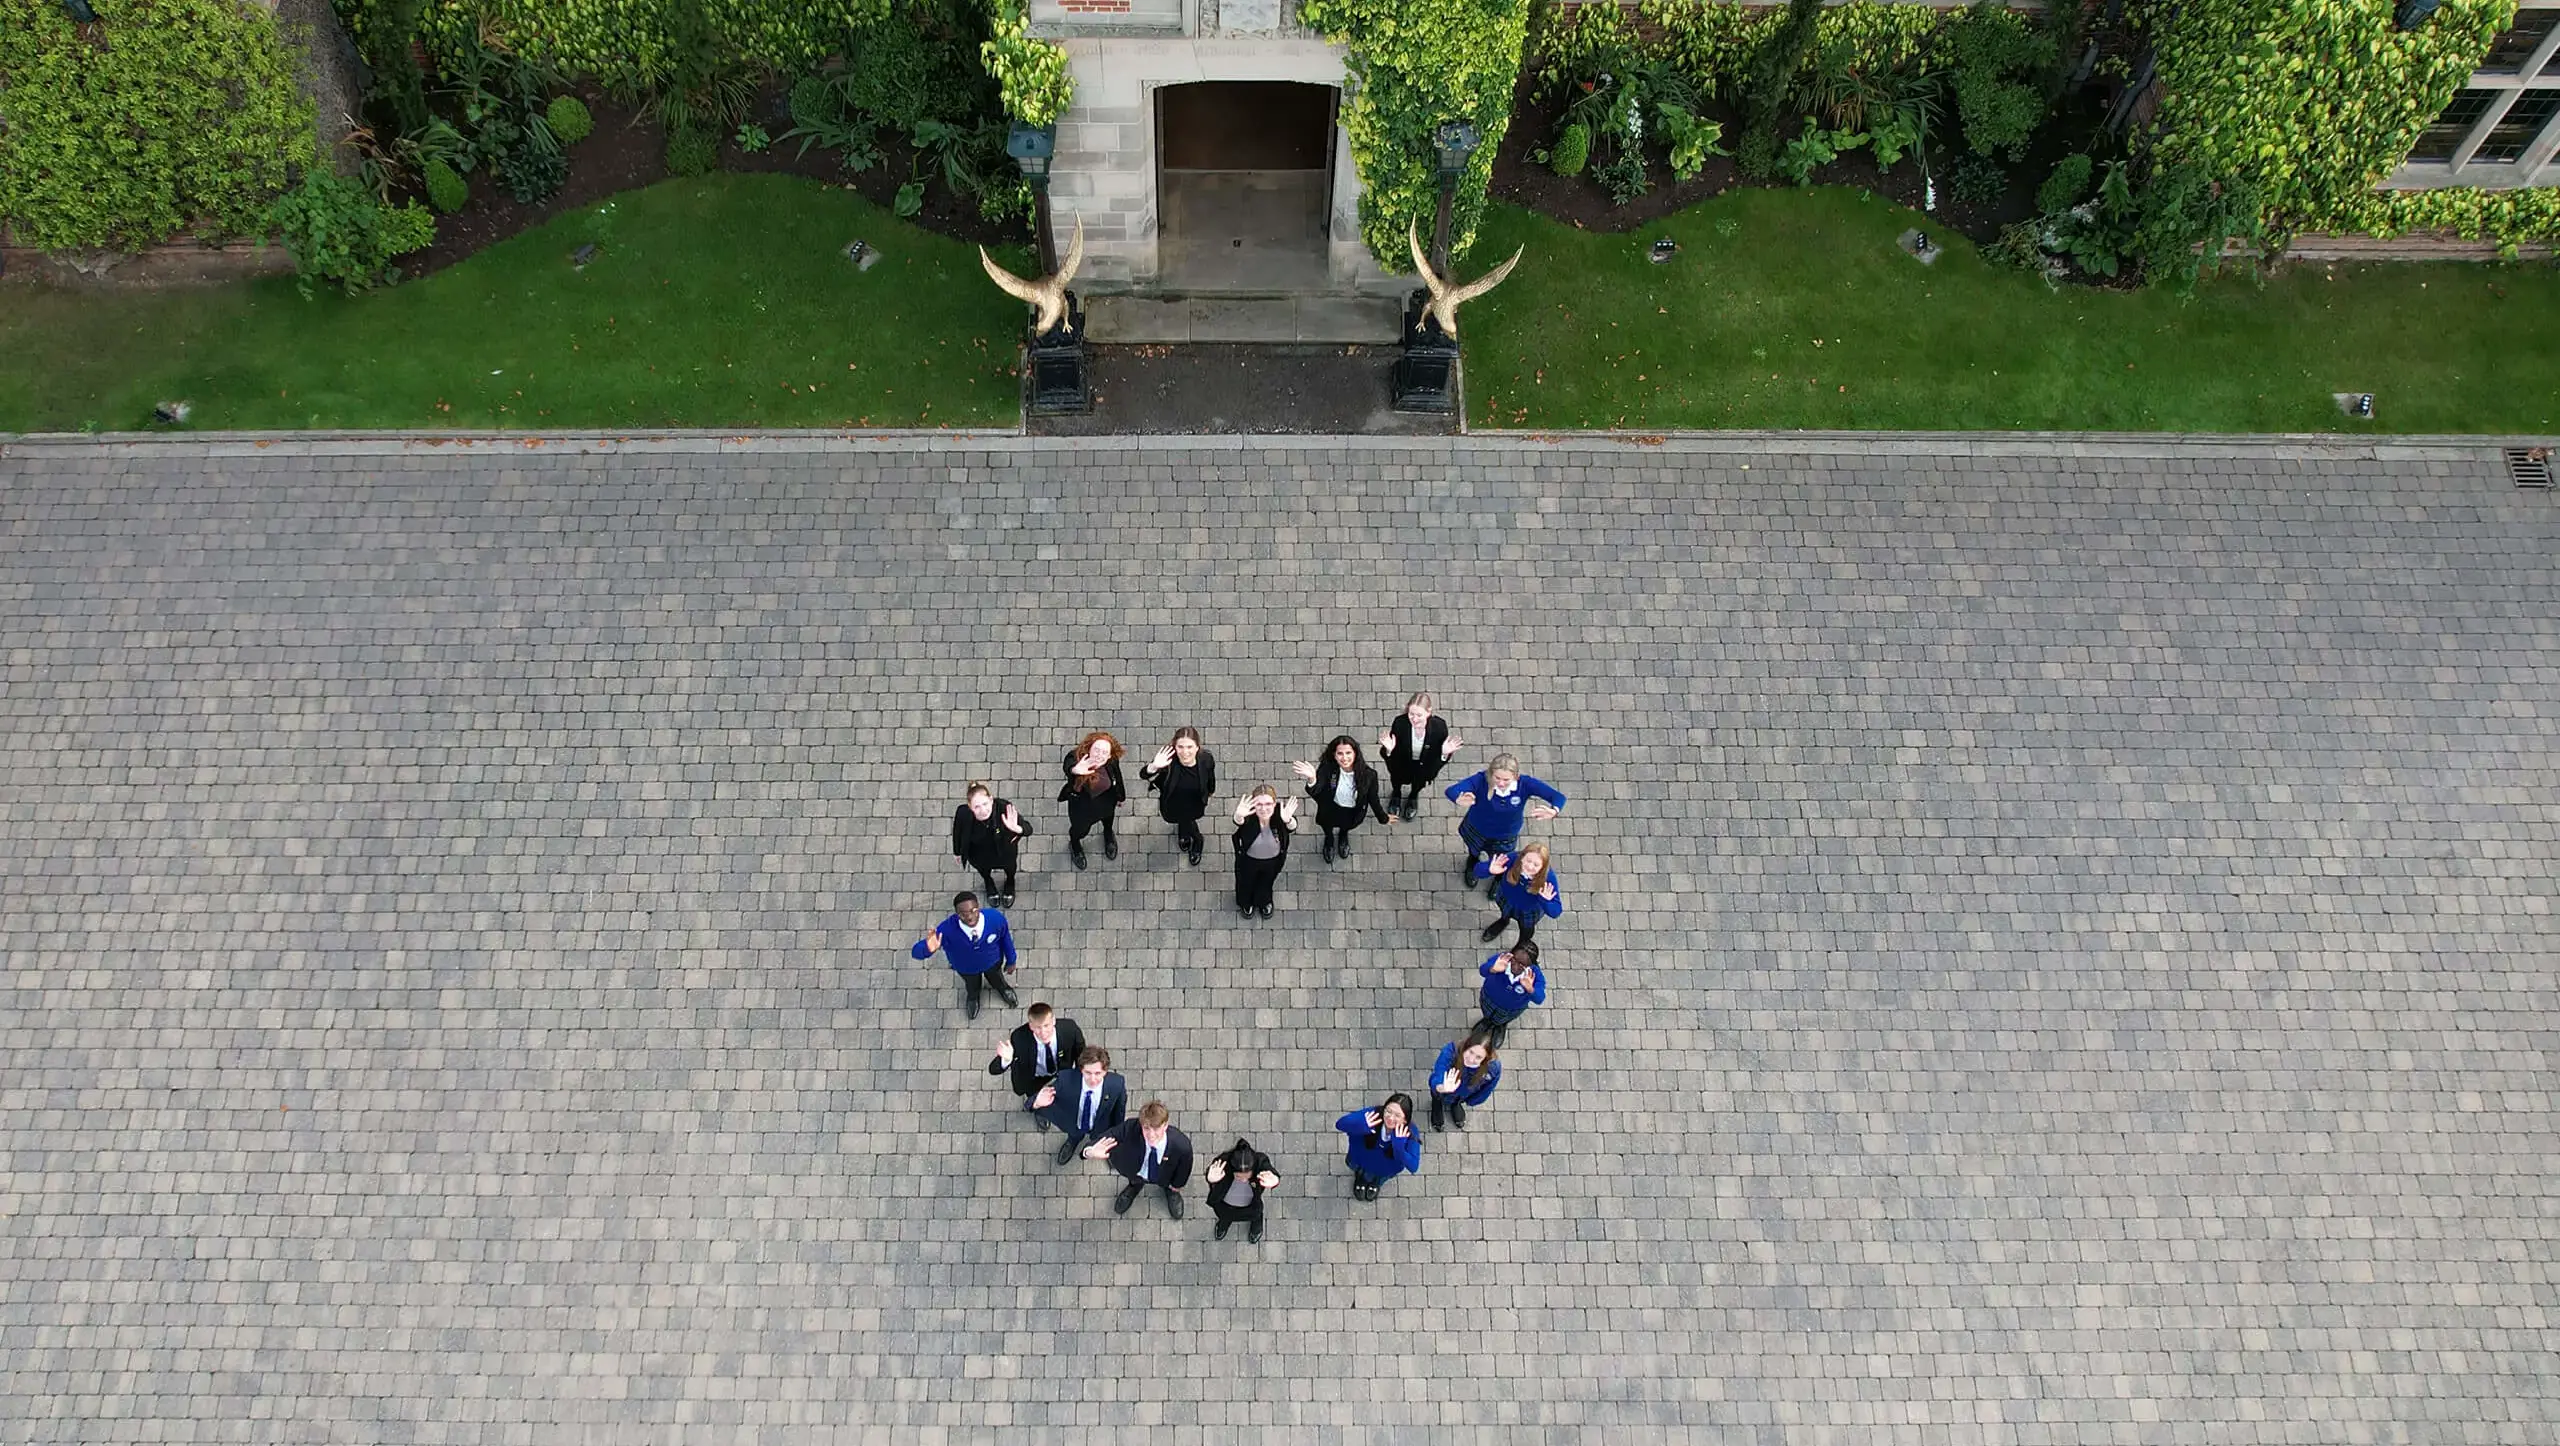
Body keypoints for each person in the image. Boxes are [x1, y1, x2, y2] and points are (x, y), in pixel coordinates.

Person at [1445, 752, 1566, 893]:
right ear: (1491, 773)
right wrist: (1458, 798)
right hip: (1477, 828)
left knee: (1502, 860)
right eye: (1497, 778)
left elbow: (1557, 796)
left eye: (1506, 779)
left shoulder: (1525, 784)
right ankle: (1473, 862)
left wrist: (1554, 810)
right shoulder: (1481, 780)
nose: (1501, 783)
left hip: (1505, 835)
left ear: (1516, 776)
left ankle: (1498, 879)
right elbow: (1452, 790)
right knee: (1474, 849)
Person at [908, 890, 1017, 1020]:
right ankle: (973, 998)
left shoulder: (995, 919)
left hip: (992, 962)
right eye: (963, 914)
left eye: (973, 910)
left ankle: (1003, 989)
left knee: (997, 979)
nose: (969, 917)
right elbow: (916, 952)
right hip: (966, 968)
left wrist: (1011, 960)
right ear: (957, 914)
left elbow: (1006, 939)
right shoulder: (947, 930)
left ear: (979, 908)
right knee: (972, 986)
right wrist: (928, 948)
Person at [1083, 1099, 1192, 1218]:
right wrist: (1089, 1151)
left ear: (1165, 1125)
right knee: (1135, 1180)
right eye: (1146, 1128)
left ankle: (1171, 1192)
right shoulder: (1131, 1128)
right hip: (1136, 1171)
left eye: (1156, 1128)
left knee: (1169, 1185)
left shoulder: (1181, 1145)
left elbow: (1184, 1168)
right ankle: (1134, 1187)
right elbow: (1110, 1136)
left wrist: (1177, 1185)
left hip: (1165, 1176)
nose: (1151, 1135)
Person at [1291, 735, 1391, 864]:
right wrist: (1312, 779)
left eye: (1348, 753)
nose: (1344, 758)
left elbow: (1373, 798)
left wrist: (1383, 817)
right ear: (1334, 755)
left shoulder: (1369, 775)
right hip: (1331, 809)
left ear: (1355, 753)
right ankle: (1329, 840)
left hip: (1353, 812)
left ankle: (1343, 835)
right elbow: (1317, 791)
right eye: (1340, 753)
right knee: (1327, 827)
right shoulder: (1327, 769)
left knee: (1346, 826)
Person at [985, 1002, 1084, 1130]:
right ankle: (1040, 1111)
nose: (1043, 1032)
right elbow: (993, 1069)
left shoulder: (1070, 1029)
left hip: (1062, 1071)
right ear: (1030, 1026)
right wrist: (1007, 1059)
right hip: (1034, 1077)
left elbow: (1081, 1053)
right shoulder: (1020, 1038)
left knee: (1062, 1092)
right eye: (1037, 1027)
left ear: (1053, 1021)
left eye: (1046, 1025)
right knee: (1035, 1095)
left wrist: (1079, 1075)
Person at [1035, 1045, 1127, 1166]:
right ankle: (1073, 1142)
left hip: (1101, 1126)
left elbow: (1119, 1110)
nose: (1093, 1079)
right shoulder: (1066, 1080)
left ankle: (1106, 1151)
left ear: (1105, 1071)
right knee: (1074, 1134)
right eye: (1088, 1073)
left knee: (1100, 1140)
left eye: (1098, 1073)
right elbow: (1045, 1095)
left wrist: (1116, 1134)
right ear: (1081, 1070)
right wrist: (1035, 1103)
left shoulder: (1117, 1084)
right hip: (1075, 1122)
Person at [1139, 727, 1217, 867]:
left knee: (1190, 821)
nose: (1185, 752)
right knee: (1182, 821)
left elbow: (1210, 777)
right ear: (1175, 746)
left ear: (1197, 747)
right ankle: (1184, 833)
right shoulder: (1167, 761)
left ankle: (1197, 840)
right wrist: (1154, 766)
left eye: (1189, 747)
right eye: (1180, 747)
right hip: (1172, 804)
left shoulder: (1206, 759)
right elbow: (1144, 775)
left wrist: (1211, 790)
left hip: (1195, 803)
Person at [1378, 692, 1460, 821]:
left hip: (1424, 768)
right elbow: (1388, 755)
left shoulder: (1439, 727)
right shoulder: (1400, 723)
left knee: (1418, 784)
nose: (1414, 719)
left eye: (1419, 715)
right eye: (1411, 714)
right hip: (1402, 765)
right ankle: (1396, 795)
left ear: (1429, 712)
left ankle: (1413, 797)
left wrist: (1444, 754)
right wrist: (1388, 750)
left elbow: (1438, 762)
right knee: (1397, 781)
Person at [951, 783, 1032, 908]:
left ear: (991, 800)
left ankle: (1010, 884)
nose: (983, 810)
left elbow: (1029, 829)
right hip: (979, 856)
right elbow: (957, 832)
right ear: (970, 807)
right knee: (984, 872)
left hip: (1005, 853)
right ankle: (989, 885)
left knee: (1010, 869)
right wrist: (957, 852)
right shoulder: (963, 813)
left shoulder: (1004, 808)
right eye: (976, 807)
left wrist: (1017, 828)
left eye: (985, 804)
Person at [1057, 731, 1127, 871]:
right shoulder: (1077, 757)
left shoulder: (1111, 761)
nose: (1099, 755)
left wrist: (1120, 797)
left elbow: (1118, 778)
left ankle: (1108, 835)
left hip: (1106, 802)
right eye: (1096, 749)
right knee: (1079, 830)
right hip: (1082, 807)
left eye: (1104, 752)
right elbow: (1069, 765)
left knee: (1108, 820)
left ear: (1109, 755)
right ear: (1089, 748)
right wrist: (1075, 770)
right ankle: (1075, 845)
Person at [1230, 784, 1301, 920]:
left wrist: (1289, 820)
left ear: (1274, 804)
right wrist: (1238, 816)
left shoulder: (1281, 813)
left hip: (1273, 861)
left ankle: (1264, 901)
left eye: (1268, 803)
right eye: (1259, 804)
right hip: (1248, 860)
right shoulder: (1248, 814)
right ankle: (1246, 902)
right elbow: (1239, 822)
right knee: (1245, 882)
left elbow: (1292, 827)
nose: (1263, 808)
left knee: (1267, 882)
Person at [1335, 1094, 1422, 1201]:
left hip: (1385, 1169)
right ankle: (1360, 1180)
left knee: (1378, 1178)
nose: (1390, 1118)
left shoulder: (1410, 1133)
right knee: (1361, 1174)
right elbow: (1340, 1124)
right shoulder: (1373, 1115)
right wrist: (1360, 1124)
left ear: (1405, 1120)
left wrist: (1398, 1147)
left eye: (1397, 1115)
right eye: (1388, 1111)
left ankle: (1375, 1184)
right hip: (1359, 1159)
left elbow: (1413, 1166)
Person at [1474, 842, 1564, 945]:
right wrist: (1488, 870)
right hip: (1506, 899)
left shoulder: (1548, 879)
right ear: (1522, 857)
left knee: (1526, 930)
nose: (1530, 867)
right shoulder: (1512, 859)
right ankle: (1503, 922)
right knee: (1504, 914)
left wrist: (1545, 901)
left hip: (1528, 911)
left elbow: (1556, 912)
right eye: (1528, 861)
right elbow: (1477, 871)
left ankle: (1522, 944)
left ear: (1543, 867)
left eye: (1536, 864)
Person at [1203, 1138, 1281, 1243]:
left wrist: (1275, 1179)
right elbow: (1212, 1171)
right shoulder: (1223, 1163)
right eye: (1239, 1177)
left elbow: (1269, 1170)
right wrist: (1210, 1179)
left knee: (1256, 1215)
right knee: (1224, 1216)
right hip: (1225, 1205)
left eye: (1247, 1176)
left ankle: (1256, 1228)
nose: (1244, 1180)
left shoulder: (1259, 1161)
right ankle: (1223, 1225)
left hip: (1251, 1204)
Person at [1426, 1031, 1502, 1132]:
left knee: (1457, 1100)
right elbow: (1438, 1072)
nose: (1471, 1059)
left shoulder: (1493, 1068)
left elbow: (1488, 1088)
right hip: (1442, 1090)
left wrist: (1473, 1101)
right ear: (1467, 1046)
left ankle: (1455, 1105)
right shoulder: (1451, 1051)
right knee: (1438, 1097)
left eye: (1478, 1057)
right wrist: (1441, 1087)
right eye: (1470, 1052)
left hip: (1463, 1095)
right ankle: (1436, 1106)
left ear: (1485, 1059)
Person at [1474, 941, 1546, 1046]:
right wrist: (1493, 969)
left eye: (1522, 965)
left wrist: (1530, 989)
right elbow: (1482, 971)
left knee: (1501, 1019)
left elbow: (1539, 999)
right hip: (1488, 998)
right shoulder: (1502, 960)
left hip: (1510, 1009)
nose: (1515, 967)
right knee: (1487, 1013)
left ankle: (1499, 1026)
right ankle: (1486, 1022)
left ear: (1531, 965)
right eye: (1514, 960)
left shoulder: (1534, 976)